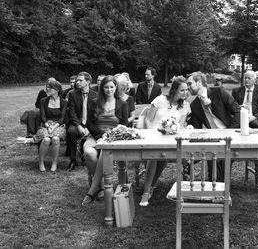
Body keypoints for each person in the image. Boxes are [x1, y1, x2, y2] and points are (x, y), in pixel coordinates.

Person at [139, 76, 191, 206]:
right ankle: (146, 191)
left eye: (187, 90)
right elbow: (148, 119)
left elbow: (180, 125)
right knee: (153, 156)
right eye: (182, 90)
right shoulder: (160, 100)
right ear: (174, 90)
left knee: (164, 155)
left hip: (171, 137)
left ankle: (151, 186)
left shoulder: (185, 105)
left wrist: (182, 128)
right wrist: (151, 133)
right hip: (154, 134)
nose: (186, 93)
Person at [81, 75, 128, 205]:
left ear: (116, 87)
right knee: (89, 153)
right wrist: (101, 134)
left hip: (114, 137)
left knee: (103, 153)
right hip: (96, 135)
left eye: (111, 87)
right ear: (102, 88)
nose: (109, 90)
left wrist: (111, 135)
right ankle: (101, 186)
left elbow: (124, 125)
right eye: (106, 87)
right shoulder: (95, 102)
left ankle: (91, 191)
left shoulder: (122, 104)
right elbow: (89, 123)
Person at [187, 71, 240, 182]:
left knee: (224, 156)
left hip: (229, 132)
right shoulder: (194, 105)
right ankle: (217, 187)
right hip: (213, 137)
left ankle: (220, 188)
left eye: (189, 84)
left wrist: (231, 131)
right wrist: (191, 127)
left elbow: (237, 110)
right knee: (212, 155)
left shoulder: (218, 92)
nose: (188, 88)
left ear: (199, 82)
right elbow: (196, 127)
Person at [65, 72, 97, 171]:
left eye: (80, 80)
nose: (77, 82)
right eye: (77, 80)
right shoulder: (72, 94)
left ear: (88, 82)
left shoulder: (96, 95)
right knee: (71, 131)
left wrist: (89, 127)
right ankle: (73, 160)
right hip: (77, 123)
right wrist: (78, 126)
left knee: (97, 132)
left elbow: (96, 114)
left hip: (90, 124)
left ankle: (86, 156)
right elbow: (72, 113)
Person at [35, 80, 67, 172]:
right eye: (47, 87)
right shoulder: (43, 101)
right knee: (46, 139)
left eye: (50, 87)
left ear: (56, 89)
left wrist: (54, 126)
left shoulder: (63, 102)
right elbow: (42, 116)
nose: (47, 89)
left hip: (59, 125)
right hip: (45, 124)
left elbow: (63, 117)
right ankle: (41, 162)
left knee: (55, 139)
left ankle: (54, 163)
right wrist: (48, 125)